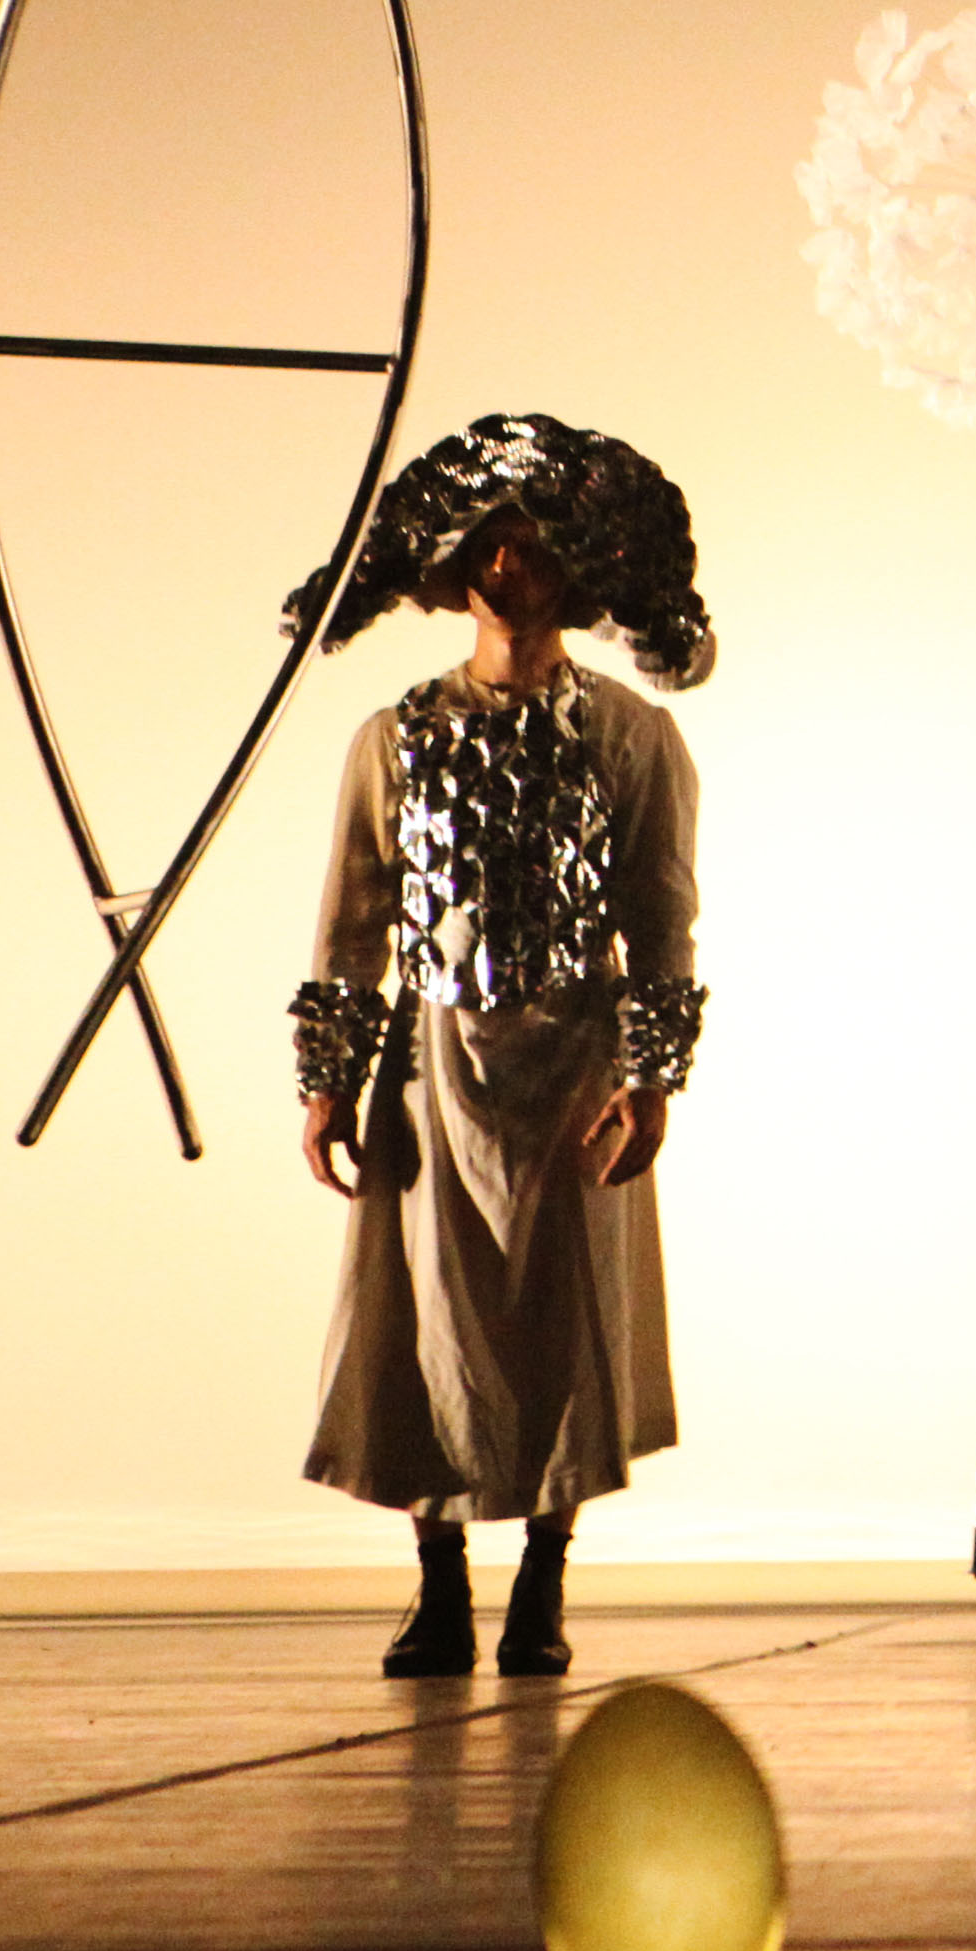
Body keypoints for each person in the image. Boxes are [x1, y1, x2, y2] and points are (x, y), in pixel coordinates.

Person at [285, 412, 716, 1681]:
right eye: (488, 539)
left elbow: (663, 915)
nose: (507, 561)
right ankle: (438, 1588)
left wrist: (650, 1078)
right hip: (436, 1063)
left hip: (576, 1057)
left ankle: (542, 1581)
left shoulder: (632, 736)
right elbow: (354, 917)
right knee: (427, 1319)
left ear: (574, 565)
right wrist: (329, 1082)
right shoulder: (395, 737)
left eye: (532, 541)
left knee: (563, 1320)